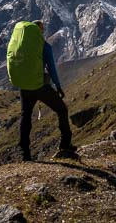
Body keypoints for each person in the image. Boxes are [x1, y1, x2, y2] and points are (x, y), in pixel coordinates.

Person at [17, 20, 74, 161]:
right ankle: (65, 144)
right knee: (62, 110)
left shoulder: (22, 46)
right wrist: (58, 86)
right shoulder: (44, 46)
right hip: (41, 85)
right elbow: (52, 69)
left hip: (25, 86)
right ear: (40, 31)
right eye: (42, 29)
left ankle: (24, 153)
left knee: (26, 116)